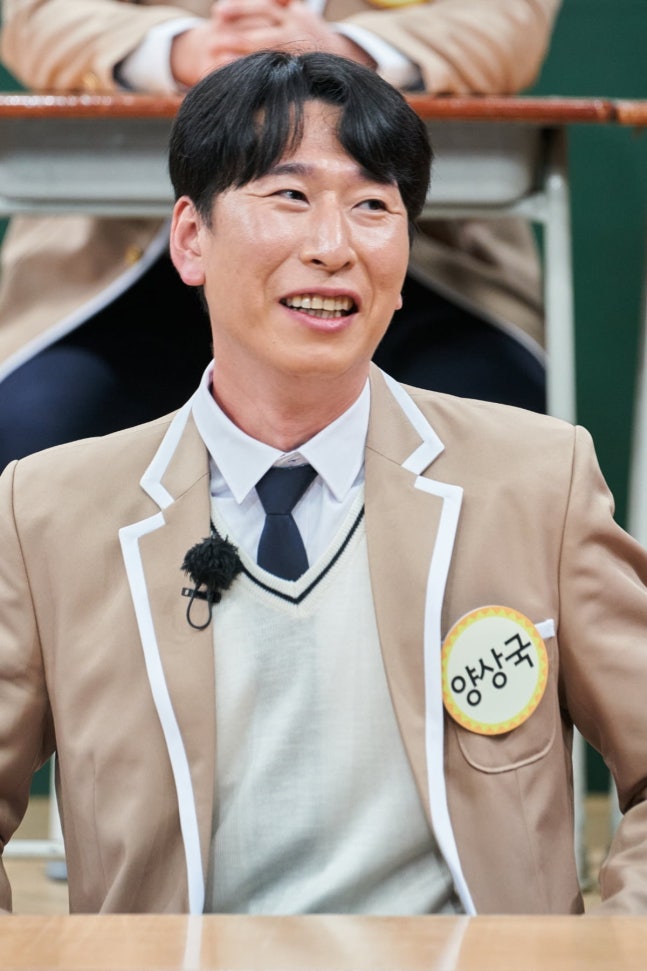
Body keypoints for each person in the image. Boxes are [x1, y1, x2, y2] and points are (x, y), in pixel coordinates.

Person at [0, 50, 646, 916]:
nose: (333, 247)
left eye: (373, 206)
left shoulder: (536, 480)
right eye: (289, 196)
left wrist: (609, 947)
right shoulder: (50, 510)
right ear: (190, 239)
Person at [0, 0, 561, 468]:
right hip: (108, 268)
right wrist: (185, 49)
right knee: (41, 432)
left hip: (434, 272)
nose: (326, 247)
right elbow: (36, 16)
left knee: (490, 445)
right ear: (188, 231)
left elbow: (508, 21)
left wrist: (341, 54)